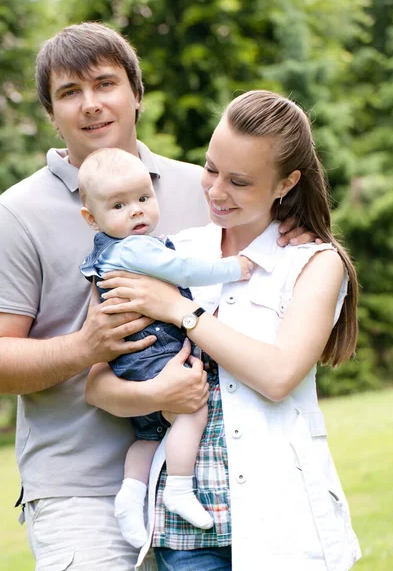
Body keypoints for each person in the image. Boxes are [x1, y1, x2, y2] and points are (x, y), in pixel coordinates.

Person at [0, 21, 315, 571]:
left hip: (200, 478)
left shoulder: (201, 189)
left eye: (104, 84)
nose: (90, 105)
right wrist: (87, 345)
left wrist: (291, 232)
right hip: (79, 490)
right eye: (68, 92)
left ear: (136, 93)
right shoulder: (17, 214)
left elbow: (266, 267)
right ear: (51, 113)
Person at [86, 90, 362, 571]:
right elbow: (98, 386)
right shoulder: (175, 251)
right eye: (211, 169)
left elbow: (278, 376)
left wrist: (179, 310)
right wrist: (157, 392)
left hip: (284, 524)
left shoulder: (314, 262)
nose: (215, 191)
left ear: (286, 183)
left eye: (239, 181)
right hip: (186, 533)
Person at [78, 147, 253, 547]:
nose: (137, 211)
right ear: (91, 218)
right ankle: (178, 489)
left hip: (130, 358)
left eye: (143, 198)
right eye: (119, 205)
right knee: (192, 409)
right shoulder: (139, 249)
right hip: (156, 351)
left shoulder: (105, 252)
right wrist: (235, 267)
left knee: (151, 434)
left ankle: (130, 495)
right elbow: (185, 270)